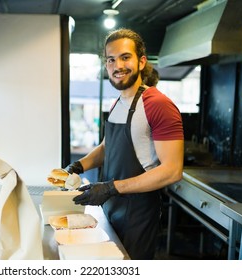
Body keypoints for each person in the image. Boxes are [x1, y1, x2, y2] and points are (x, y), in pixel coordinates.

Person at [66, 28, 184, 259]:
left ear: (141, 62)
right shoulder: (117, 103)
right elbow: (106, 147)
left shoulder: (157, 104)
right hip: (111, 207)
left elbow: (172, 171)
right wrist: (77, 167)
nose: (117, 65)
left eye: (125, 57)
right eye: (111, 59)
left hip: (138, 214)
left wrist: (110, 187)